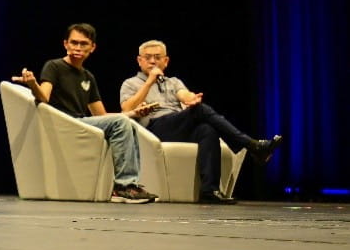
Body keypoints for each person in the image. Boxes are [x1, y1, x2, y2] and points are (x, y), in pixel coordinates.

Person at [118, 40, 284, 204]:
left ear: (166, 61)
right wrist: (149, 82)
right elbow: (126, 109)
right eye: (148, 57)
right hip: (152, 130)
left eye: (157, 57)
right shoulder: (130, 83)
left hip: (177, 126)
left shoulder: (173, 82)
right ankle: (252, 145)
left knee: (207, 129)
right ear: (139, 60)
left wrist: (192, 99)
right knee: (200, 111)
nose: (153, 61)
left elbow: (184, 94)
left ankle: (209, 190)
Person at [14, 23, 161, 203]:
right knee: (120, 122)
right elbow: (44, 97)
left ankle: (130, 184)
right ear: (65, 44)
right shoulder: (54, 66)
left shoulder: (87, 76)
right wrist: (33, 84)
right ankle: (123, 186)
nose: (77, 47)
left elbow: (101, 115)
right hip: (64, 122)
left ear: (92, 47)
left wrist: (132, 114)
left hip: (81, 121)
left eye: (83, 44)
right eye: (73, 43)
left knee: (128, 124)